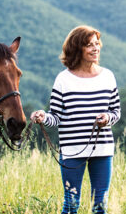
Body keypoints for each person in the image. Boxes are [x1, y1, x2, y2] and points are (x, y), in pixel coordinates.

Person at [31, 26, 121, 214]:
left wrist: (107, 118)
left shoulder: (108, 77)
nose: (95, 48)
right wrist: (42, 117)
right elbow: (55, 117)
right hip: (72, 151)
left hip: (102, 149)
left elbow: (116, 112)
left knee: (100, 205)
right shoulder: (63, 79)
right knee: (71, 204)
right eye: (89, 45)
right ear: (77, 49)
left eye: (97, 44)